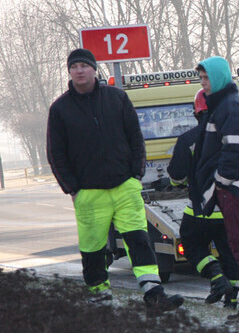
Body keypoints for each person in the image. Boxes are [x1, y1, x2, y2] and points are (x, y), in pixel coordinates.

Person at [46, 48, 183, 310]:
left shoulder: (117, 98)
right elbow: (56, 153)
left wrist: (136, 175)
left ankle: (154, 293)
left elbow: (135, 138)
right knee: (93, 247)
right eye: (74, 67)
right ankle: (100, 298)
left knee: (138, 240)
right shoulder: (60, 109)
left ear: (94, 69)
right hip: (88, 192)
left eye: (84, 66)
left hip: (125, 186)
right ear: (69, 72)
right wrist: (73, 188)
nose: (80, 70)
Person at [192, 56, 239, 323]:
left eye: (207, 78)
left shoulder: (230, 107)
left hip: (233, 188)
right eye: (201, 79)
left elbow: (236, 150)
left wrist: (220, 182)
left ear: (220, 77)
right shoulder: (226, 104)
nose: (203, 85)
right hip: (230, 187)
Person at [167, 89, 239, 309]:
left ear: (196, 112)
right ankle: (232, 298)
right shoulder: (235, 134)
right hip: (231, 206)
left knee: (190, 244)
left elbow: (177, 176)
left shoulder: (188, 139)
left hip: (201, 208)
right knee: (230, 251)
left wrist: (176, 183)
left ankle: (217, 278)